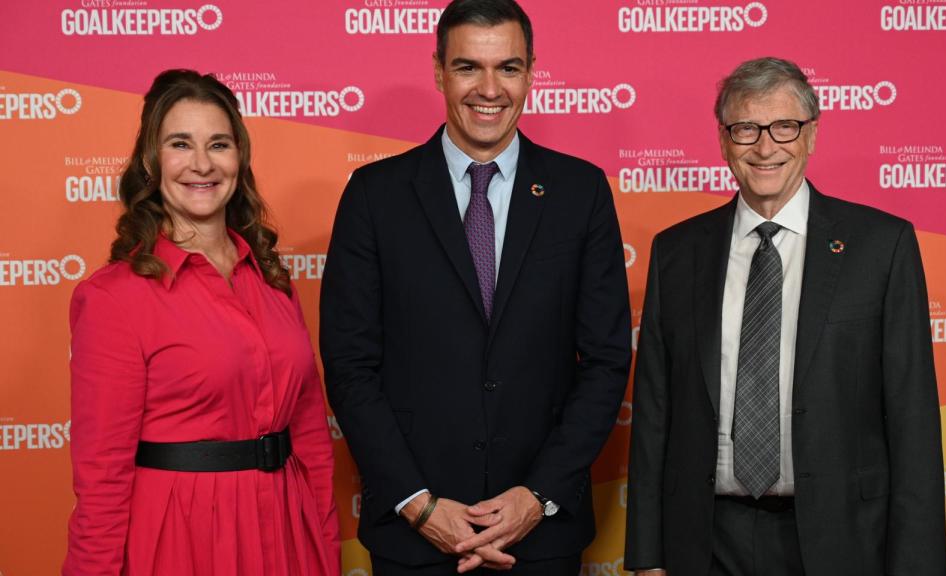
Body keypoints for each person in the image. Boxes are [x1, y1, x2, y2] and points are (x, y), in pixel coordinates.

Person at [319, 0, 632, 573]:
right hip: (415, 538)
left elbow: (607, 361)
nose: (489, 89)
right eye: (468, 67)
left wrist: (536, 497)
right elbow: (349, 365)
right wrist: (418, 503)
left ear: (531, 73)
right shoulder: (374, 195)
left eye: (508, 67)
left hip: (541, 538)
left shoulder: (580, 192)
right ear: (439, 72)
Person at [624, 57, 946, 576]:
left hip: (842, 540)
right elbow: (654, 415)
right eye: (746, 128)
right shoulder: (676, 252)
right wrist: (646, 555)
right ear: (724, 140)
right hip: (705, 542)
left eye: (784, 127)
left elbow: (914, 422)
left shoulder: (881, 247)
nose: (765, 146)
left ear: (811, 134)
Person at [63, 69, 340, 576]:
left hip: (286, 531)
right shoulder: (113, 298)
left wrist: (324, 549)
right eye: (180, 144)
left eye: (218, 144)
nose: (202, 164)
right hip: (184, 539)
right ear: (151, 161)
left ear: (239, 158)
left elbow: (312, 441)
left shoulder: (272, 280)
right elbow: (101, 479)